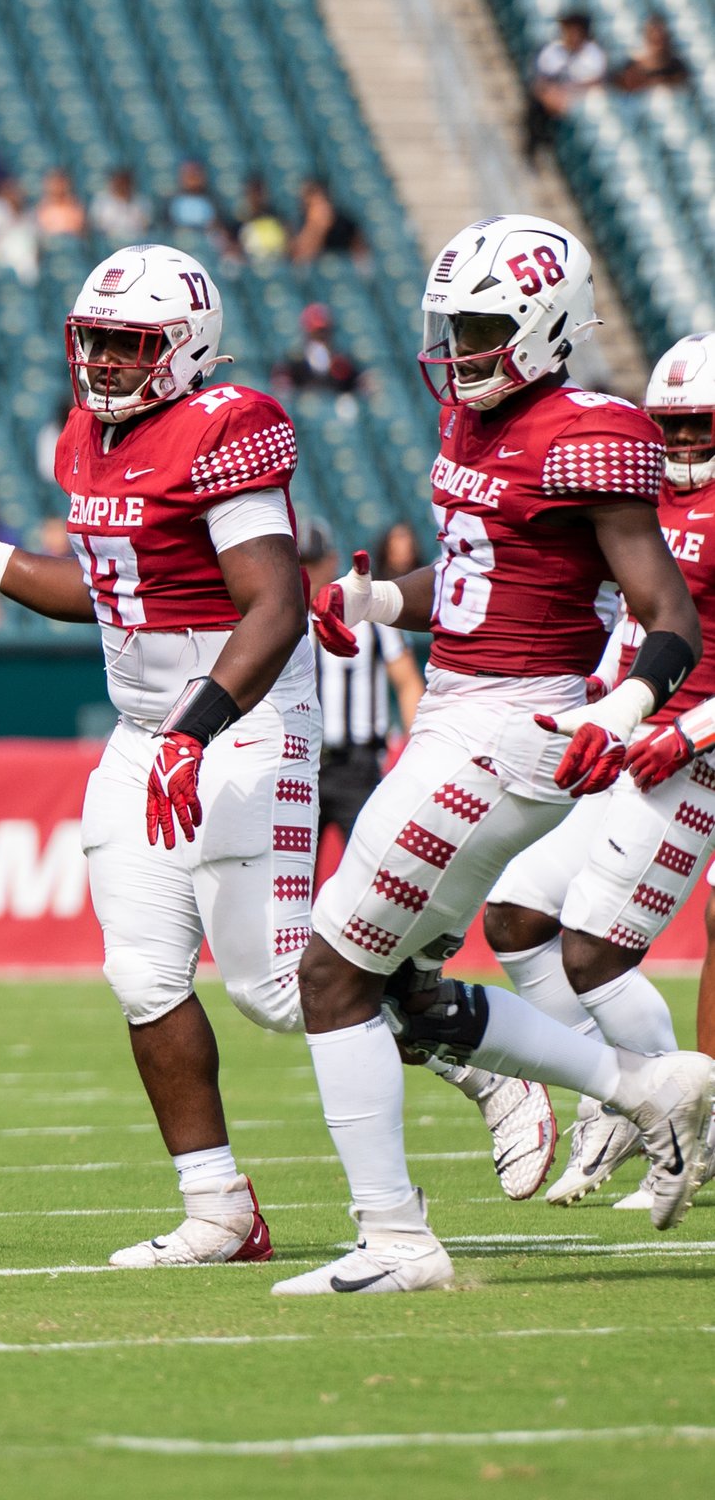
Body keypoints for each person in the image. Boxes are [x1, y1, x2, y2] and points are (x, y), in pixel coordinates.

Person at [0, 243, 518, 1270]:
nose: (99, 360)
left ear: (184, 348)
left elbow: (272, 603)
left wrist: (196, 725)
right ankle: (219, 1207)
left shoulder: (225, 426)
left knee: (282, 986)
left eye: (126, 343)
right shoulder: (83, 440)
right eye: (91, 338)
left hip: (241, 720)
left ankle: (466, 1042)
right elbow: (103, 590)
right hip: (146, 732)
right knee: (141, 973)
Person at [295, 215, 715, 1296]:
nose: (460, 346)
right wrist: (376, 598)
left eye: (483, 324)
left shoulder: (589, 429)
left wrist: (618, 708)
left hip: (512, 727)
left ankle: (395, 1239)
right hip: (456, 709)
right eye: (453, 324)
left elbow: (667, 612)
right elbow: (474, 570)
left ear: (544, 323)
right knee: (404, 987)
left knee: (331, 970)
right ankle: (645, 1086)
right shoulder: (469, 422)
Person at [480, 332, 715, 1210]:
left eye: (702, 430)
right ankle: (620, 1095)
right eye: (674, 429)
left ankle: (678, 1115)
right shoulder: (638, 494)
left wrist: (688, 734)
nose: (684, 448)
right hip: (624, 740)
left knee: (593, 949)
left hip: (690, 763)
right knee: (513, 915)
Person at [300, 520, 420, 869]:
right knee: (291, 879)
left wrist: (410, 753)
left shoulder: (369, 619)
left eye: (313, 563)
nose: (307, 574)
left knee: (369, 874)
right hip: (301, 765)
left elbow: (409, 683)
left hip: (359, 765)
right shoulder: (284, 622)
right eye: (300, 565)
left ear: (331, 561)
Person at [526, 11, 608, 161]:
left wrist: (567, 91)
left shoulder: (594, 56)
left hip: (580, 99)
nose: (571, 36)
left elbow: (594, 83)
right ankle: (536, 144)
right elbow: (543, 77)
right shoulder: (553, 49)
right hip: (553, 95)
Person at [272, 303, 367, 405]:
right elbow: (282, 390)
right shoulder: (294, 361)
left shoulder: (342, 361)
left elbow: (357, 385)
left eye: (325, 332)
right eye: (317, 333)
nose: (322, 337)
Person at [288, 178, 367, 266]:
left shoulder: (344, 222)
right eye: (312, 205)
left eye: (320, 203)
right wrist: (316, 228)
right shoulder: (299, 222)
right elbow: (300, 259)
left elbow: (362, 258)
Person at [614, 14, 690, 94]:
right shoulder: (631, 66)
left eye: (661, 38)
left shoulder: (677, 68)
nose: (659, 43)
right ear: (646, 38)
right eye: (654, 39)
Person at [90, 166, 151, 245]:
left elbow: (145, 225)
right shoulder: (101, 201)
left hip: (136, 241)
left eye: (125, 184)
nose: (122, 187)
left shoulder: (142, 202)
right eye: (119, 184)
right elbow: (98, 225)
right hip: (110, 241)